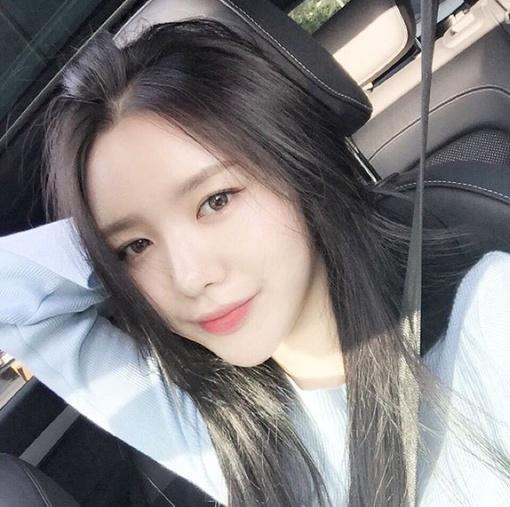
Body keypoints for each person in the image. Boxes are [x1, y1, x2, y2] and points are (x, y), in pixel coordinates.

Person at [0, 18, 509, 507]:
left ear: (299, 167)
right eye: (136, 247)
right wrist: (101, 238)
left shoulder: (491, 316)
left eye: (216, 200)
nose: (190, 278)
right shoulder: (223, 434)